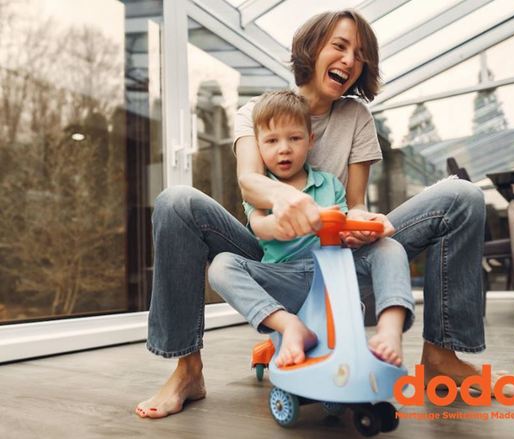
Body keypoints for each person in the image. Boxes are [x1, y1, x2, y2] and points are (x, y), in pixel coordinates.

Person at [136, 9, 489, 420]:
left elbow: (355, 202)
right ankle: (188, 371)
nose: (349, 60)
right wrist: (284, 200)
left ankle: (441, 357)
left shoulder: (357, 117)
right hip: (269, 251)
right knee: (176, 201)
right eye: (339, 46)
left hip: (336, 256)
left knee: (463, 195)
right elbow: (249, 182)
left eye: (360, 55)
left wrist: (361, 226)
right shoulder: (256, 112)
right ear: (312, 48)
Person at [208, 90, 414, 368]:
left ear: (310, 140)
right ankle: (289, 325)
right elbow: (259, 226)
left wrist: (359, 230)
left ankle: (389, 330)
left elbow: (344, 225)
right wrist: (278, 225)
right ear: (258, 145)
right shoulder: (262, 189)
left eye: (294, 138)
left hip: (333, 273)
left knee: (389, 247)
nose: (284, 148)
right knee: (221, 266)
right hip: (283, 277)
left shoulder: (330, 184)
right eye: (271, 140)